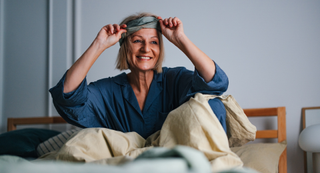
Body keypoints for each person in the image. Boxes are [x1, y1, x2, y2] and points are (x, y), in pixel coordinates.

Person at [50, 12, 229, 139]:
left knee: (214, 105)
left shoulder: (174, 79)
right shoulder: (109, 90)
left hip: (175, 160)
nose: (146, 48)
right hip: (128, 165)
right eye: (137, 41)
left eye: (153, 42)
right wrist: (99, 44)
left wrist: (180, 39)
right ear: (125, 47)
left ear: (160, 49)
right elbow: (67, 96)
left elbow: (215, 81)